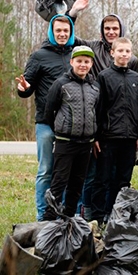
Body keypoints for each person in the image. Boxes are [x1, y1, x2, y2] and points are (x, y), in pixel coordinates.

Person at [16, 14, 76, 221]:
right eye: (58, 30)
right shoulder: (39, 56)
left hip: (71, 126)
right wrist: (23, 88)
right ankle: (42, 216)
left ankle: (66, 215)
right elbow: (26, 88)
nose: (62, 34)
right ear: (52, 32)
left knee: (67, 173)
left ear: (70, 33)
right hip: (45, 123)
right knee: (45, 170)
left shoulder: (76, 55)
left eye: (65, 31)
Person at [42, 46, 100, 220]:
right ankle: (49, 220)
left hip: (86, 144)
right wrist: (62, 130)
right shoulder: (61, 84)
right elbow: (48, 112)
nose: (83, 65)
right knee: (59, 182)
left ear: (91, 64)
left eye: (87, 61)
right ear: (72, 62)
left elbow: (97, 111)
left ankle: (68, 219)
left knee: (77, 184)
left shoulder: (95, 87)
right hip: (65, 142)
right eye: (79, 61)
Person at [91, 38, 138, 224]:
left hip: (129, 138)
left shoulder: (136, 78)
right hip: (108, 137)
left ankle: (117, 214)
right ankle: (97, 216)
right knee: (102, 179)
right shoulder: (104, 77)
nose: (124, 54)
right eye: (120, 50)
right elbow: (98, 107)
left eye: (127, 51)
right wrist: (96, 136)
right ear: (112, 53)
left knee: (123, 180)